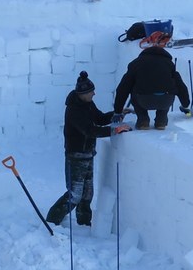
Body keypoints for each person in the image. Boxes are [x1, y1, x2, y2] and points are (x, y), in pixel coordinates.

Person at [45, 71, 131, 227]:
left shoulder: (87, 103)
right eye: (91, 92)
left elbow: (99, 118)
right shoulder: (74, 110)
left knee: (87, 193)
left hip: (88, 154)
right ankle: (52, 220)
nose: (94, 94)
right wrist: (114, 130)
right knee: (74, 195)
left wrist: (117, 114)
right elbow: (90, 130)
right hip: (75, 156)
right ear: (83, 94)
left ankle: (84, 223)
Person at [113, 45, 191, 131]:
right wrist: (185, 106)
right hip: (165, 101)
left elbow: (123, 88)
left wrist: (118, 111)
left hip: (143, 100)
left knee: (134, 90)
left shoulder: (136, 63)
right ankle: (161, 121)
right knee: (168, 90)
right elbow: (181, 86)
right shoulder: (169, 64)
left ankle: (143, 120)